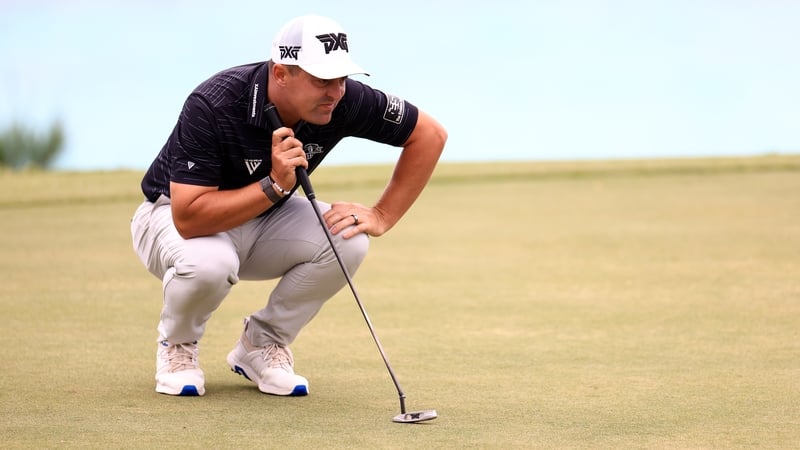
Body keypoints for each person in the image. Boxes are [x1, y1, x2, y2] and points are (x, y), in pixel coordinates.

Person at [130, 14, 447, 397]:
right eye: (322, 80)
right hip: (169, 220)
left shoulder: (343, 100)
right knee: (210, 263)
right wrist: (274, 186)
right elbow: (188, 217)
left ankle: (261, 345)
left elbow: (429, 135)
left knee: (348, 238)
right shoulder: (214, 103)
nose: (336, 92)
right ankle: (177, 347)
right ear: (281, 73)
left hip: (267, 216)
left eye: (342, 79)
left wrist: (382, 215)